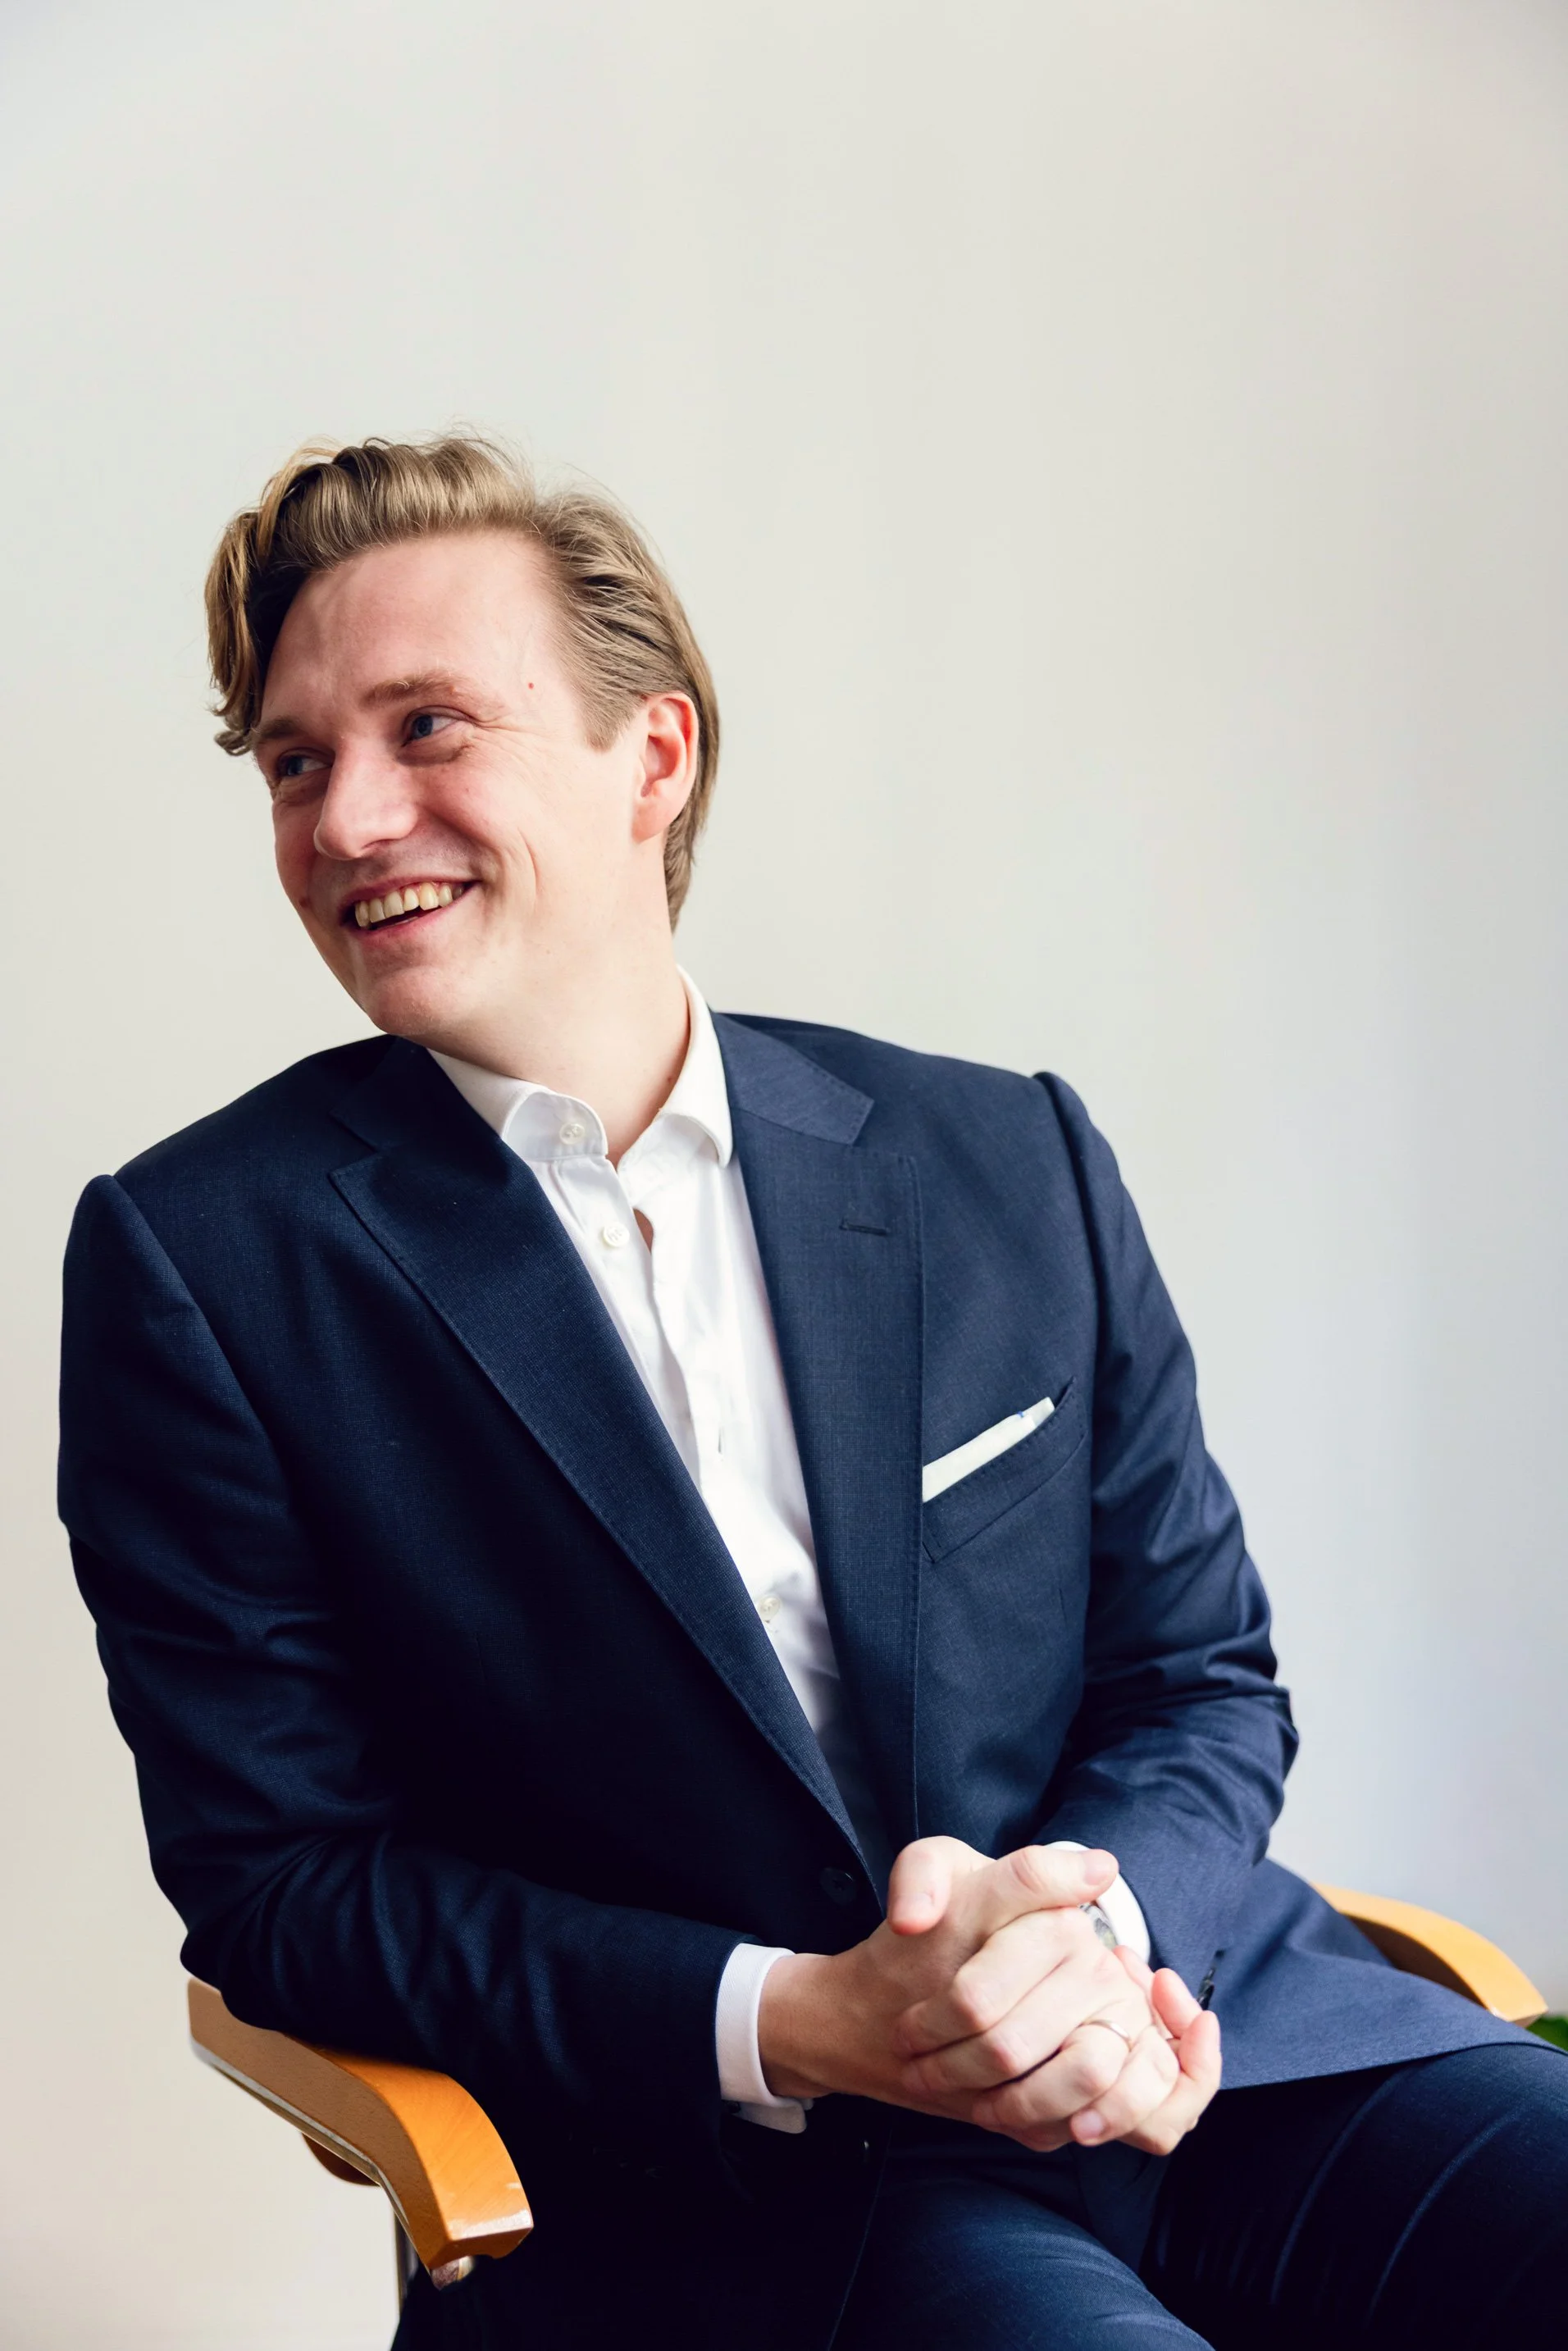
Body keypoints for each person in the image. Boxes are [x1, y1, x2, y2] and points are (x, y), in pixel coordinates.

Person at [60, 435, 1567, 2350]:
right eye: (294, 760)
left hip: (1210, 2044)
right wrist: (792, 2016)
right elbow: (286, 1884)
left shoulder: (997, 1150)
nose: (350, 814)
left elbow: (1196, 1674)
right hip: (742, 2198)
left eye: (425, 725)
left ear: (652, 757)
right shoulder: (200, 1261)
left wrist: (1085, 1950)